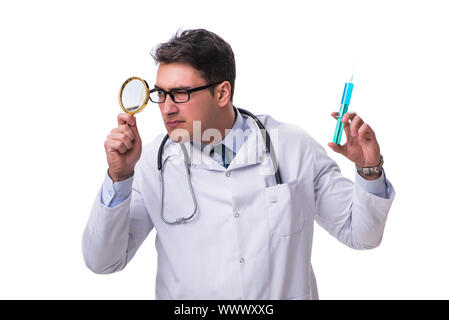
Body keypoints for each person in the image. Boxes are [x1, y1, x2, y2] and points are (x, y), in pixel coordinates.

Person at [82, 29, 395, 300]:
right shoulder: (151, 163)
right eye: (161, 94)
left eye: (180, 93)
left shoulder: (292, 147)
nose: (166, 108)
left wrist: (369, 170)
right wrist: (119, 177)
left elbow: (362, 235)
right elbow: (103, 261)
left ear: (222, 92)